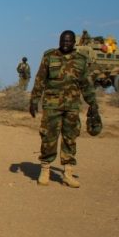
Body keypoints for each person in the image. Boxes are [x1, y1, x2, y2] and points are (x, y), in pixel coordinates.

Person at [29, 30, 98, 188]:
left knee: (70, 138)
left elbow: (86, 85)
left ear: (74, 43)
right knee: (48, 137)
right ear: (59, 41)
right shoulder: (49, 56)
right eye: (63, 40)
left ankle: (68, 173)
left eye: (68, 41)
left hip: (72, 106)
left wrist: (93, 103)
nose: (65, 43)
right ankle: (45, 170)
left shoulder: (81, 60)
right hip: (52, 105)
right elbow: (40, 79)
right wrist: (34, 100)